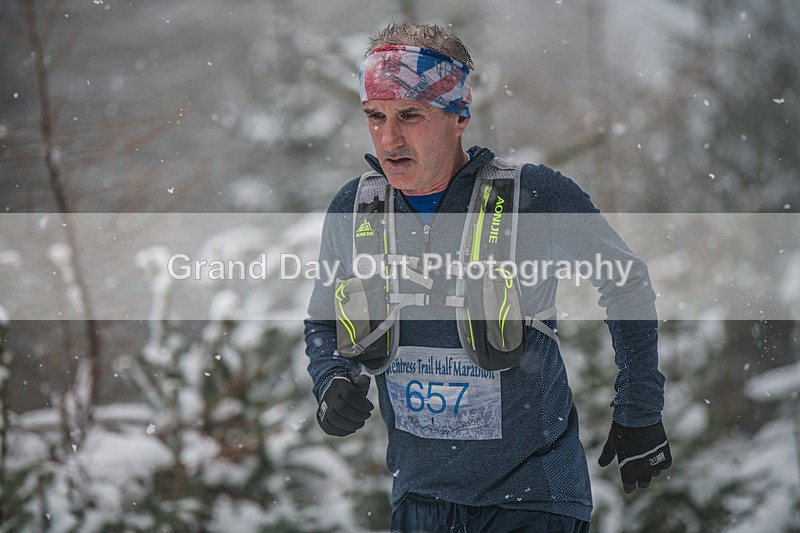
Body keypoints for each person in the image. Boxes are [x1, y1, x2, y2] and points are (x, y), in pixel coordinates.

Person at [304, 22, 671, 532]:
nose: (389, 138)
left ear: (459, 117)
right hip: (419, 500)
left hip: (533, 500)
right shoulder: (356, 208)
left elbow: (625, 280)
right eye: (375, 116)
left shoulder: (534, 196)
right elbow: (322, 317)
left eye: (410, 115)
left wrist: (640, 407)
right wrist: (331, 380)